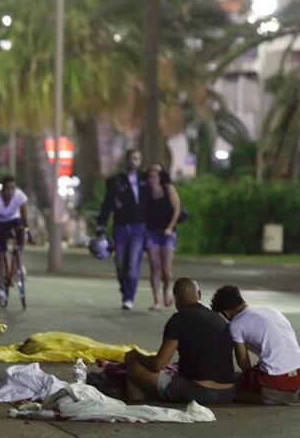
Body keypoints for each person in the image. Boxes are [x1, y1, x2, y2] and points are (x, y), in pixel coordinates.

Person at [124, 277, 237, 406]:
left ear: (176, 299)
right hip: (228, 393)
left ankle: (138, 401)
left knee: (134, 367)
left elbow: (158, 364)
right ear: (199, 294)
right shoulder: (219, 319)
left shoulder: (179, 319)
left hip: (198, 393)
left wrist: (137, 356)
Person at [210, 285, 300, 405]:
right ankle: (299, 390)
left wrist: (246, 380)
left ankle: (276, 397)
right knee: (251, 374)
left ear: (225, 313)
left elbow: (243, 361)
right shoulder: (271, 311)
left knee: (231, 389)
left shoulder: (236, 324)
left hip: (278, 379)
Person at [97, 149, 148, 310]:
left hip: (139, 228)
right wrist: (101, 224)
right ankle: (124, 286)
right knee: (120, 263)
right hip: (121, 228)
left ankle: (128, 297)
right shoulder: (116, 181)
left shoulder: (146, 179)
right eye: (131, 158)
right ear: (126, 160)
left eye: (137, 158)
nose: (134, 161)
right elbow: (107, 203)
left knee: (133, 263)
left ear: (140, 161)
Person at [0, 176, 29, 307]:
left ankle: (18, 265)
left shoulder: (20, 196)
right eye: (7, 189)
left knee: (22, 231)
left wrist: (26, 231)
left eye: (13, 188)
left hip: (13, 221)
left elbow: (24, 217)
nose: (10, 192)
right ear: (2, 190)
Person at [144, 164, 182, 310]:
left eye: (154, 177)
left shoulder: (168, 189)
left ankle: (166, 290)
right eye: (149, 177)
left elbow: (177, 208)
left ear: (160, 178)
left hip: (167, 233)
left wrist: (170, 228)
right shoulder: (146, 193)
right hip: (151, 232)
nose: (152, 180)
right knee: (155, 266)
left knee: (166, 269)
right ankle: (156, 300)